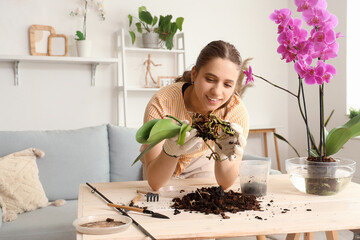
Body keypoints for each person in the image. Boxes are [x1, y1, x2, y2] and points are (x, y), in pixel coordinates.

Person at [140, 40, 249, 191]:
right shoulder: (162, 103)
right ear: (194, 74)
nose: (217, 92)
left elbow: (225, 184)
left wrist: (223, 155)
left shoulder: (235, 112)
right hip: (160, 161)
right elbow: (155, 183)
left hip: (202, 160)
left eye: (227, 84)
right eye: (210, 79)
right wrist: (170, 150)